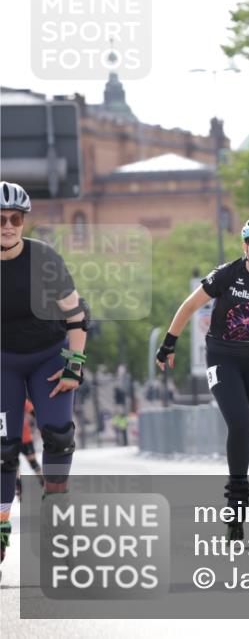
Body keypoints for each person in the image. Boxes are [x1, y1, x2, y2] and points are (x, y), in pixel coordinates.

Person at [155, 215, 249, 542]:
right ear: (246, 247)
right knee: (240, 422)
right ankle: (235, 503)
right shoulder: (226, 274)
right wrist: (168, 343)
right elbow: (189, 306)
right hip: (222, 358)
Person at [1, 181, 90, 566]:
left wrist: (74, 365)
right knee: (4, 449)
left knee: (57, 434)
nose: (7, 226)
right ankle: (2, 528)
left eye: (15, 219)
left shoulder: (45, 259)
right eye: (1, 219)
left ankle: (56, 507)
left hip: (49, 356)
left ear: (24, 222)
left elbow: (76, 315)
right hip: (3, 360)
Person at [14, 401, 45, 500]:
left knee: (33, 463)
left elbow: (34, 412)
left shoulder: (21, 400)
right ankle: (19, 493)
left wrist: (41, 426)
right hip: (12, 440)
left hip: (25, 438)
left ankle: (45, 486)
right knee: (14, 467)